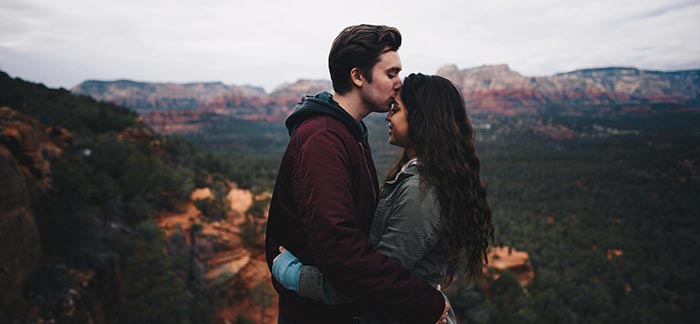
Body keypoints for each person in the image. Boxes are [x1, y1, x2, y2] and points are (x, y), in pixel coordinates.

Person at [272, 73, 495, 323]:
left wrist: (294, 275)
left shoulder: (421, 191)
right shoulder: (417, 177)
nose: (388, 116)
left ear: (422, 120)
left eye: (396, 110)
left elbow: (372, 281)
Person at [264, 25, 449, 324]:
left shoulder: (348, 134)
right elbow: (342, 251)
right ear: (358, 76)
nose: (399, 84)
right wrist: (424, 300)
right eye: (391, 74)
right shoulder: (323, 139)